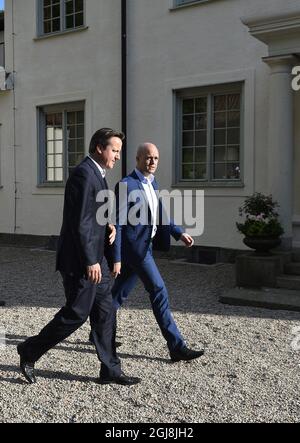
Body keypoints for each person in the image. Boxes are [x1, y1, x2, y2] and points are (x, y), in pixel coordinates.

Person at [17, 128, 141, 386]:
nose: (118, 156)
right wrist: (90, 261)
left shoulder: (98, 173)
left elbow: (93, 214)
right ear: (99, 148)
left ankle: (111, 370)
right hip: (83, 262)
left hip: (98, 260)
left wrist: (108, 225)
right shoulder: (84, 174)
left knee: (106, 313)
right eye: (114, 150)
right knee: (76, 314)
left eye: (119, 151)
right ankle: (29, 350)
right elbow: (80, 222)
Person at [110, 143, 204, 362]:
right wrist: (116, 257)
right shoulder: (126, 185)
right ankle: (176, 346)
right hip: (136, 251)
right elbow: (118, 224)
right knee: (159, 290)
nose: (152, 162)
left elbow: (160, 215)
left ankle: (99, 333)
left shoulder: (152, 183)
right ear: (138, 159)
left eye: (156, 158)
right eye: (148, 158)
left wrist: (179, 233)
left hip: (146, 246)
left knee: (117, 295)